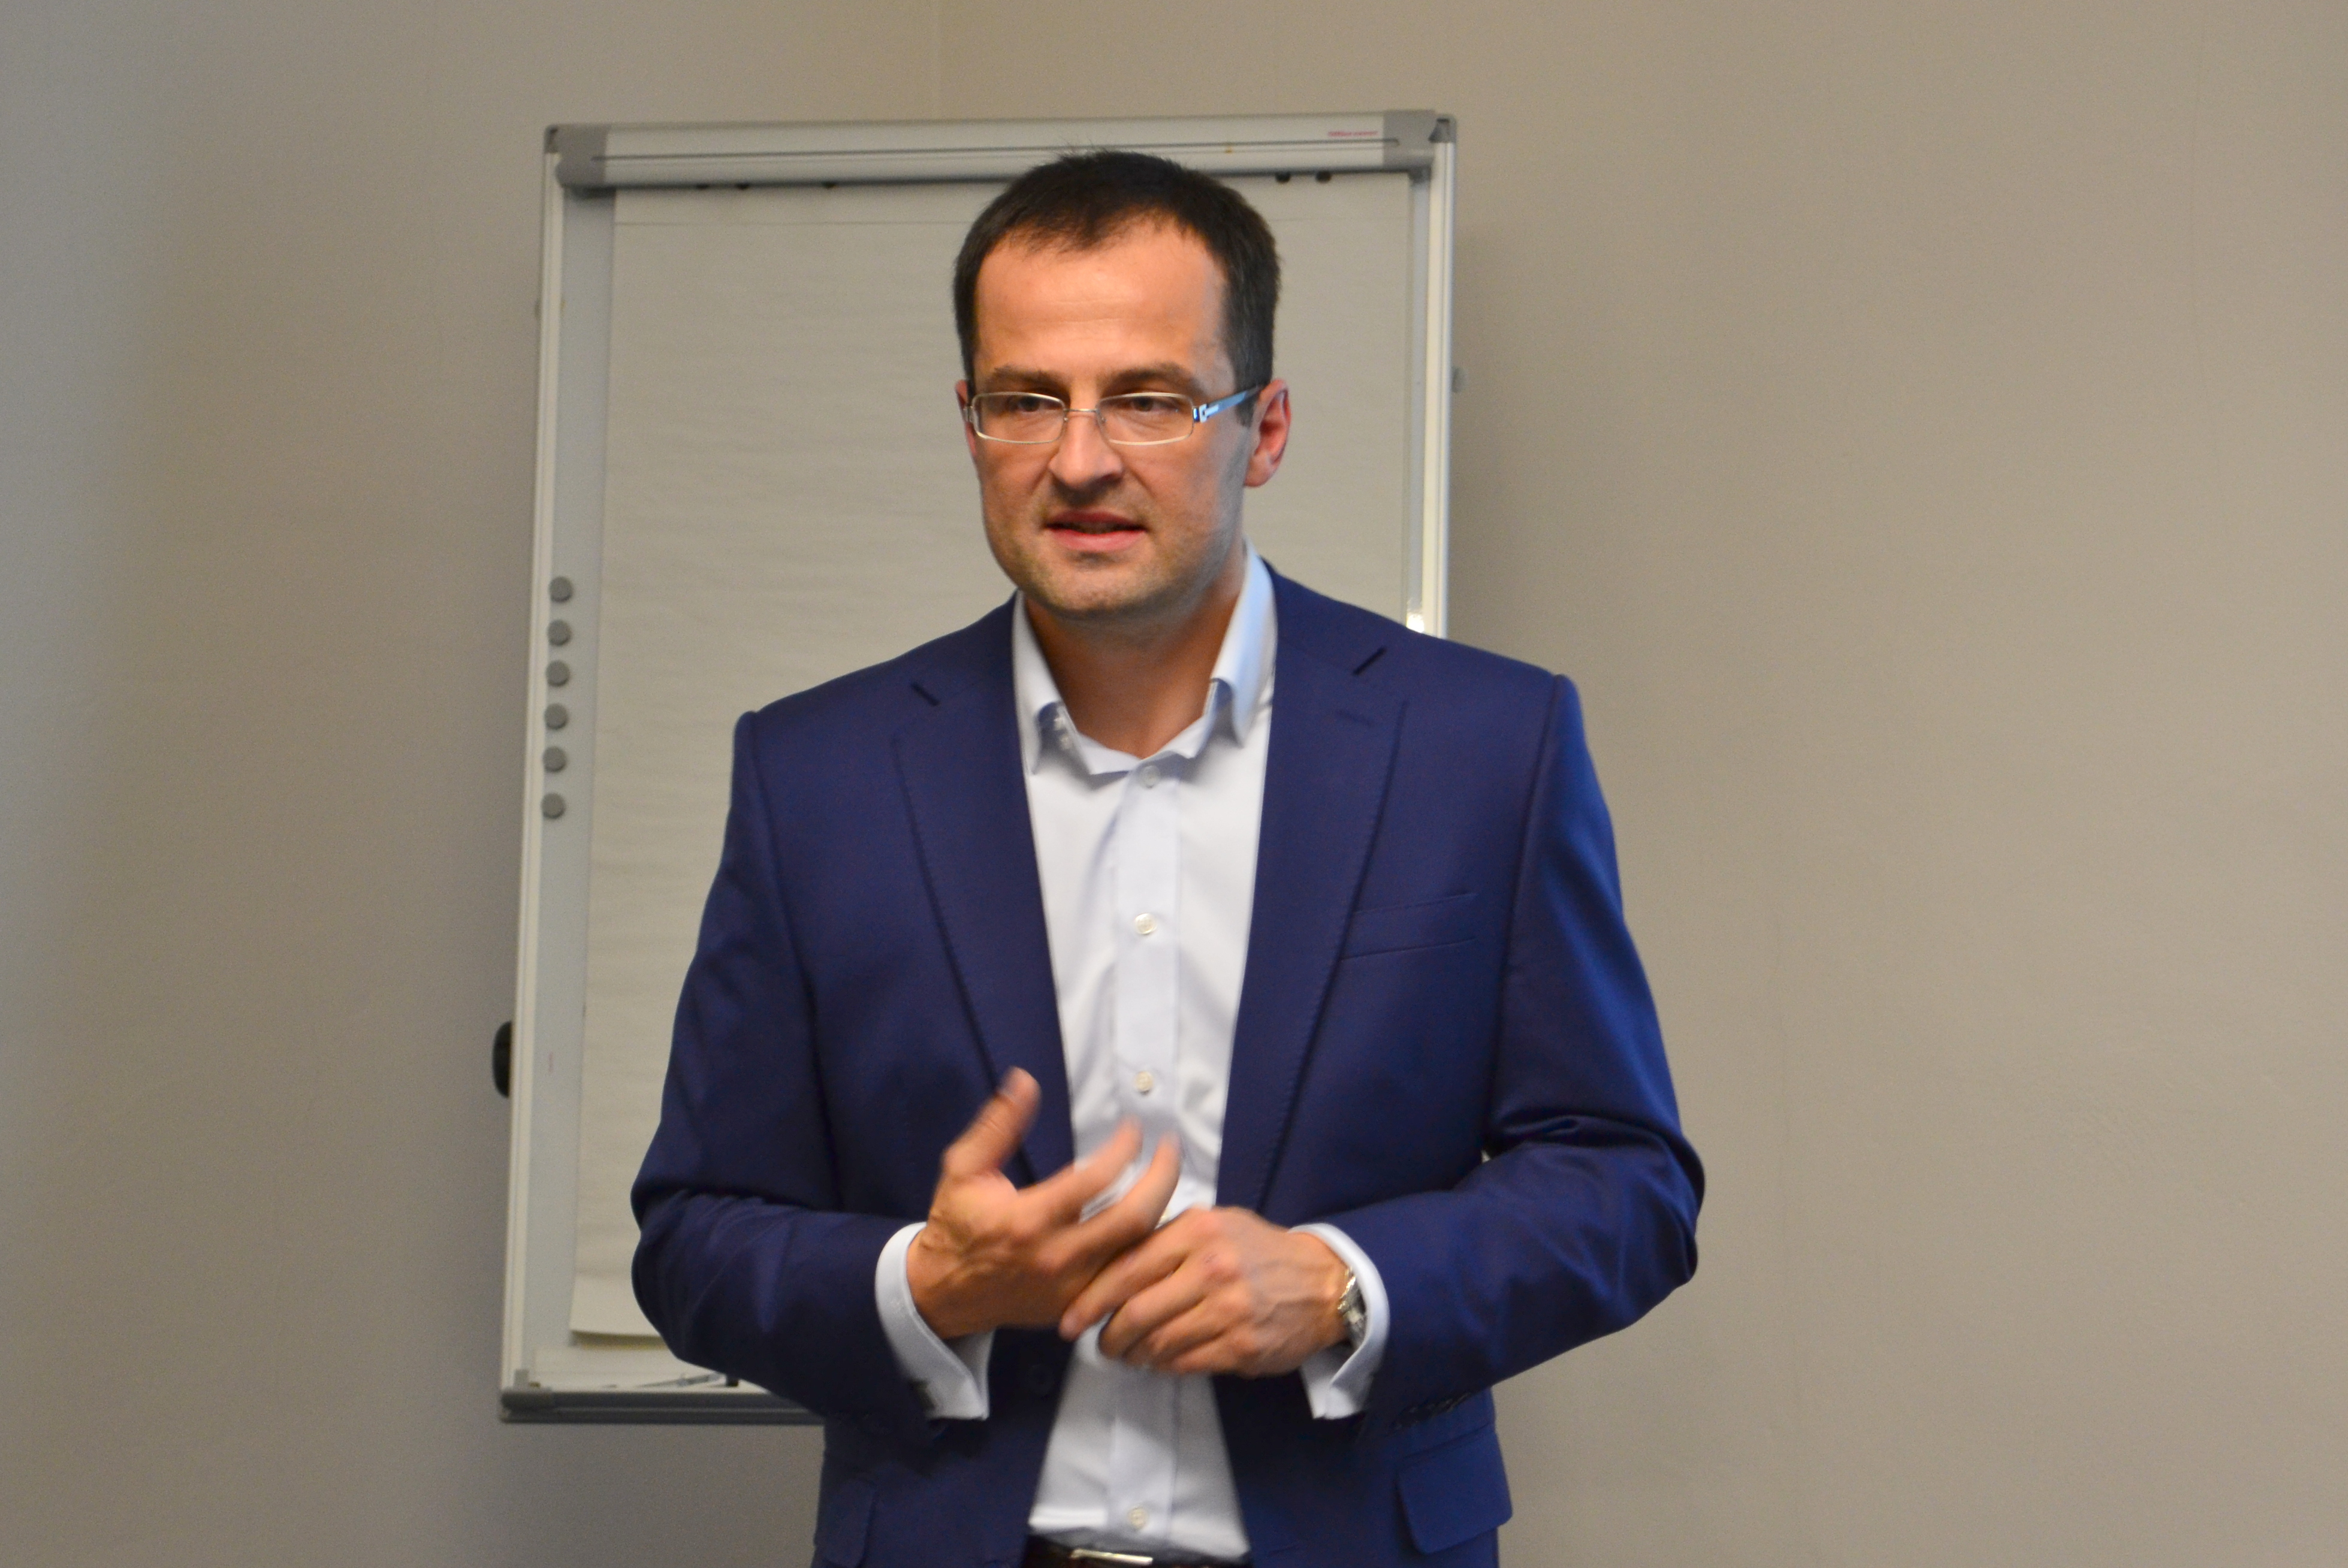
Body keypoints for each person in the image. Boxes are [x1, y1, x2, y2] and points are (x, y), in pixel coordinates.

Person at [632, 150, 1701, 1568]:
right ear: (971, 423)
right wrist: (929, 1280)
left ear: (1263, 429)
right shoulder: (818, 776)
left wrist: (1343, 1284)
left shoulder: (1484, 748)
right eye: (1028, 400)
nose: (1080, 460)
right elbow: (696, 1235)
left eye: (1148, 400)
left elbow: (1623, 1181)